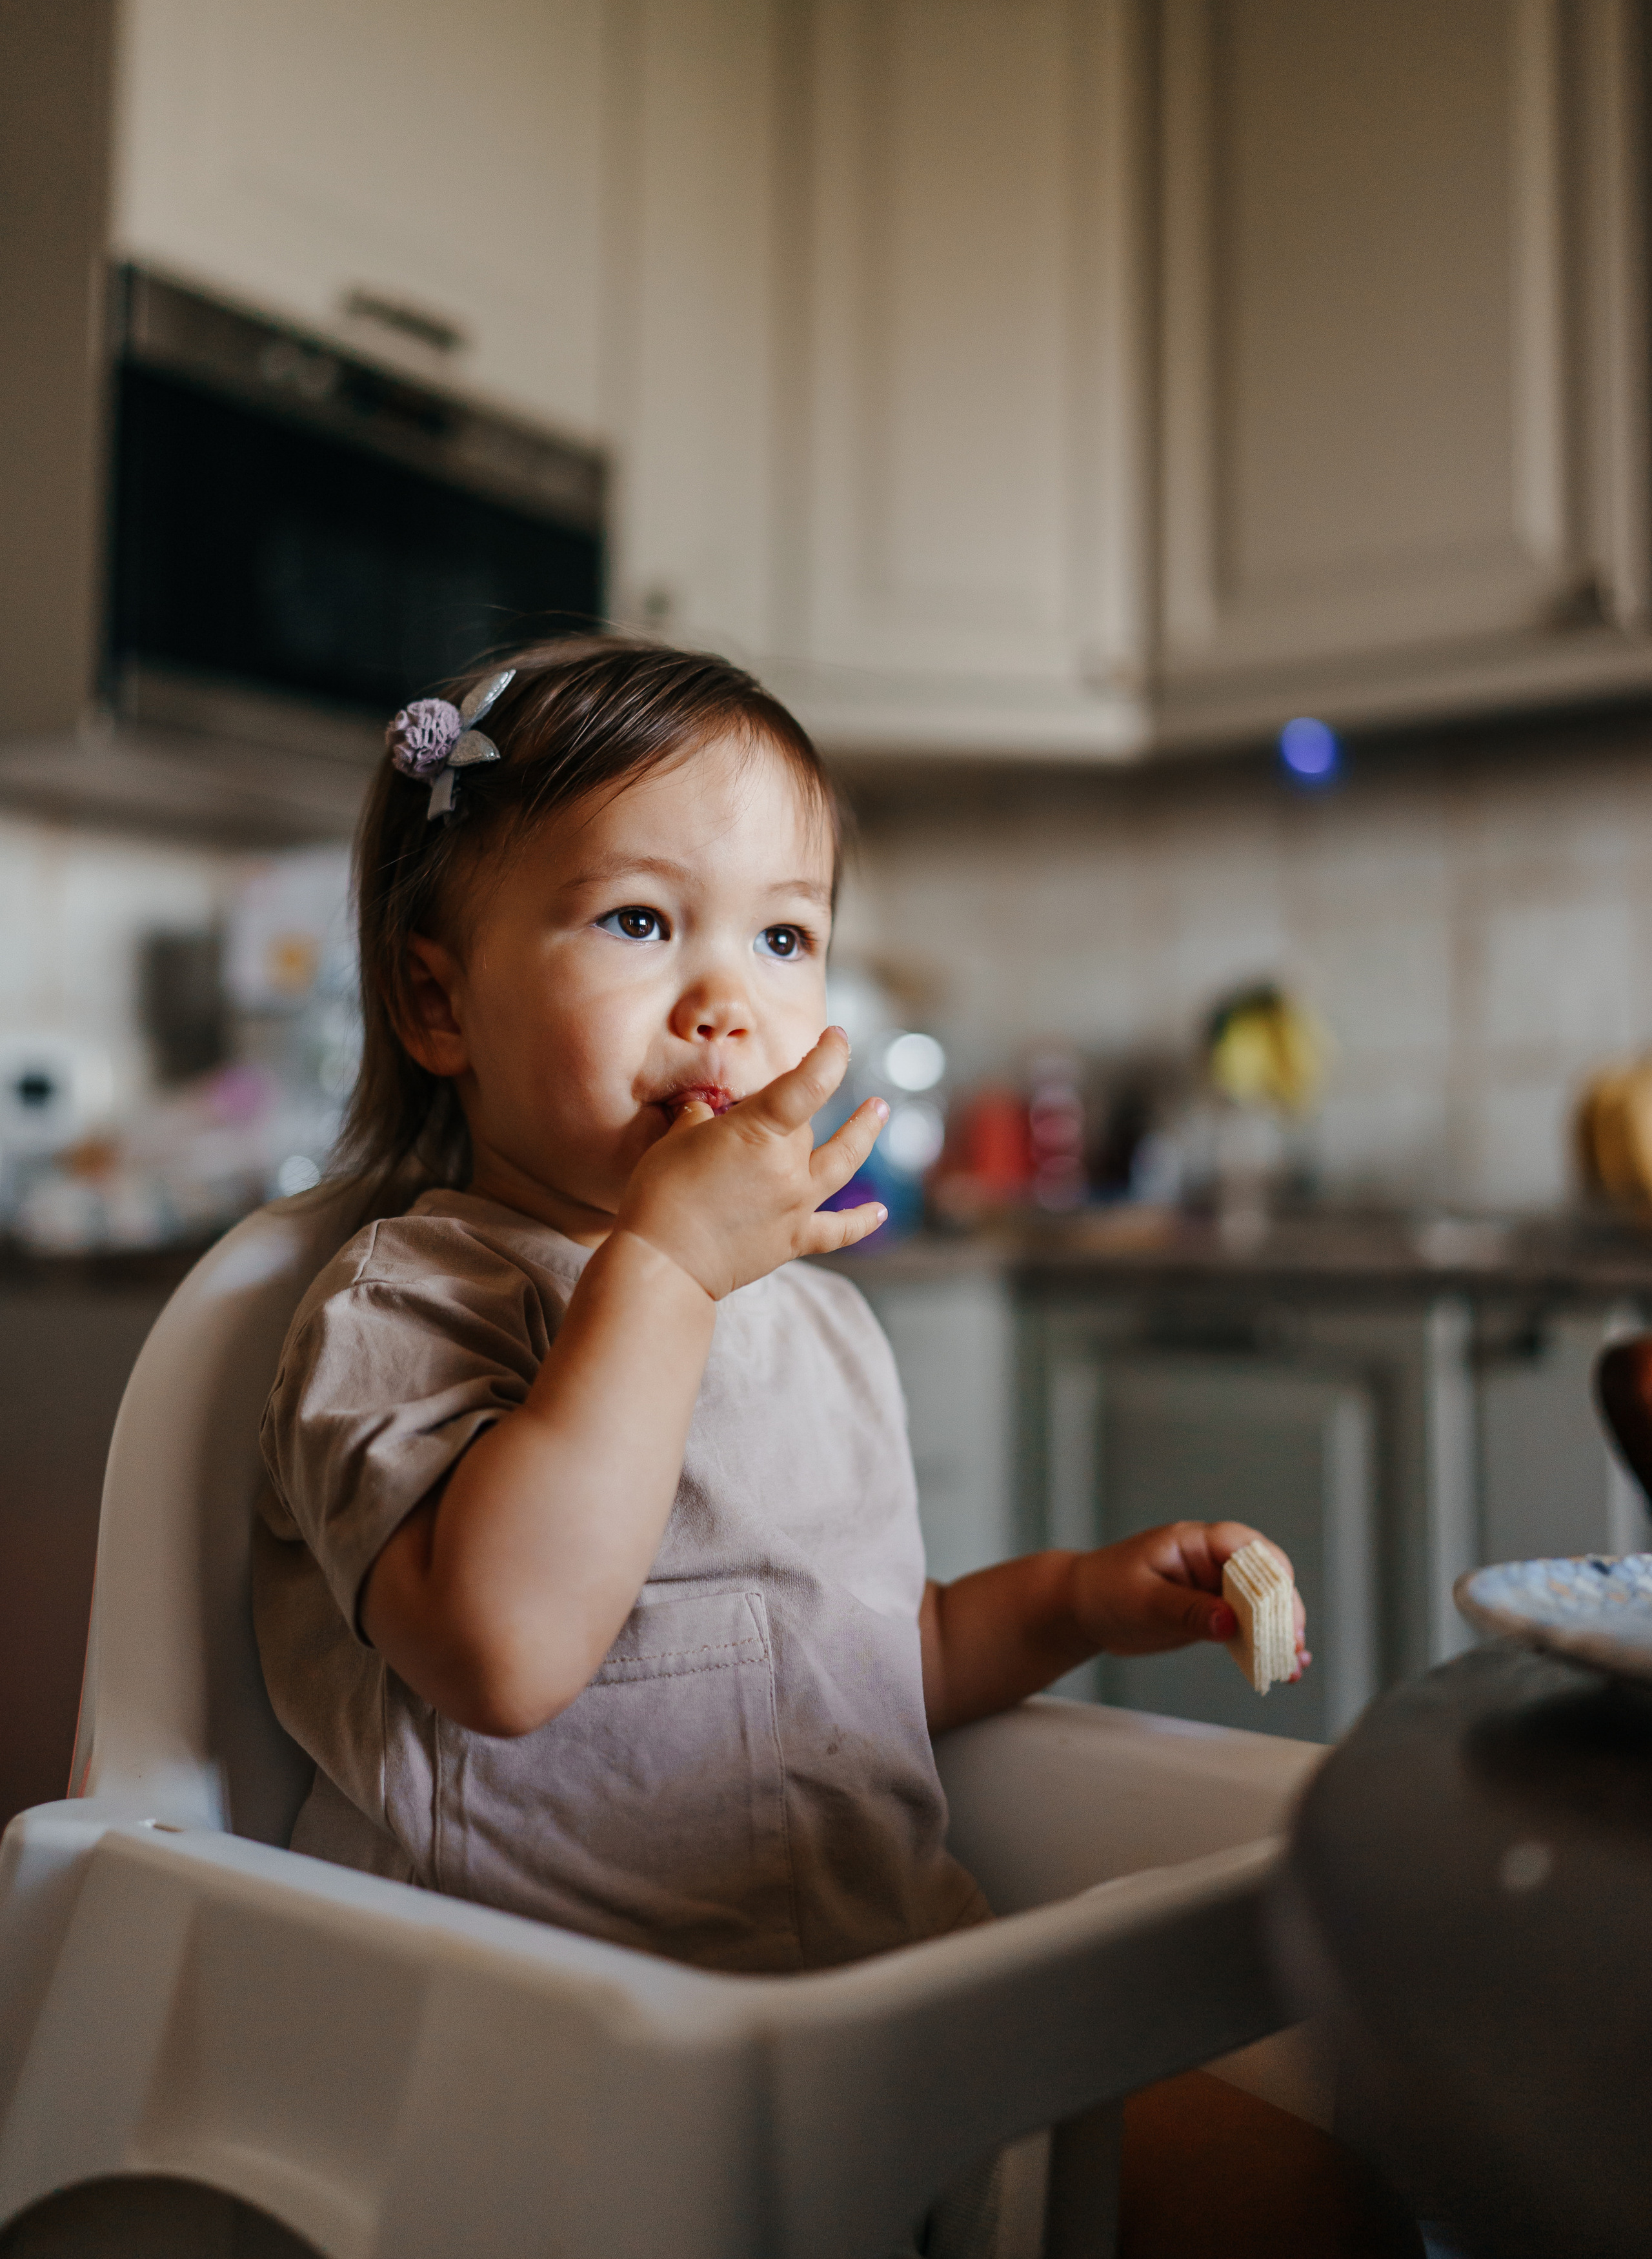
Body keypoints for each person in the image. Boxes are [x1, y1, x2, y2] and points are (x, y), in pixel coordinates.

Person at [254, 636, 1418, 2259]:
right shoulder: (407, 1308)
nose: (728, 999)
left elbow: (867, 1657)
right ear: (437, 998)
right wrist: (654, 1275)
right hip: (572, 2082)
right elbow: (502, 1649)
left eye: (784, 935)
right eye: (640, 923)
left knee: (1319, 2193)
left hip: (892, 2013)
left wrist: (1079, 1599)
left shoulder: (808, 1324)